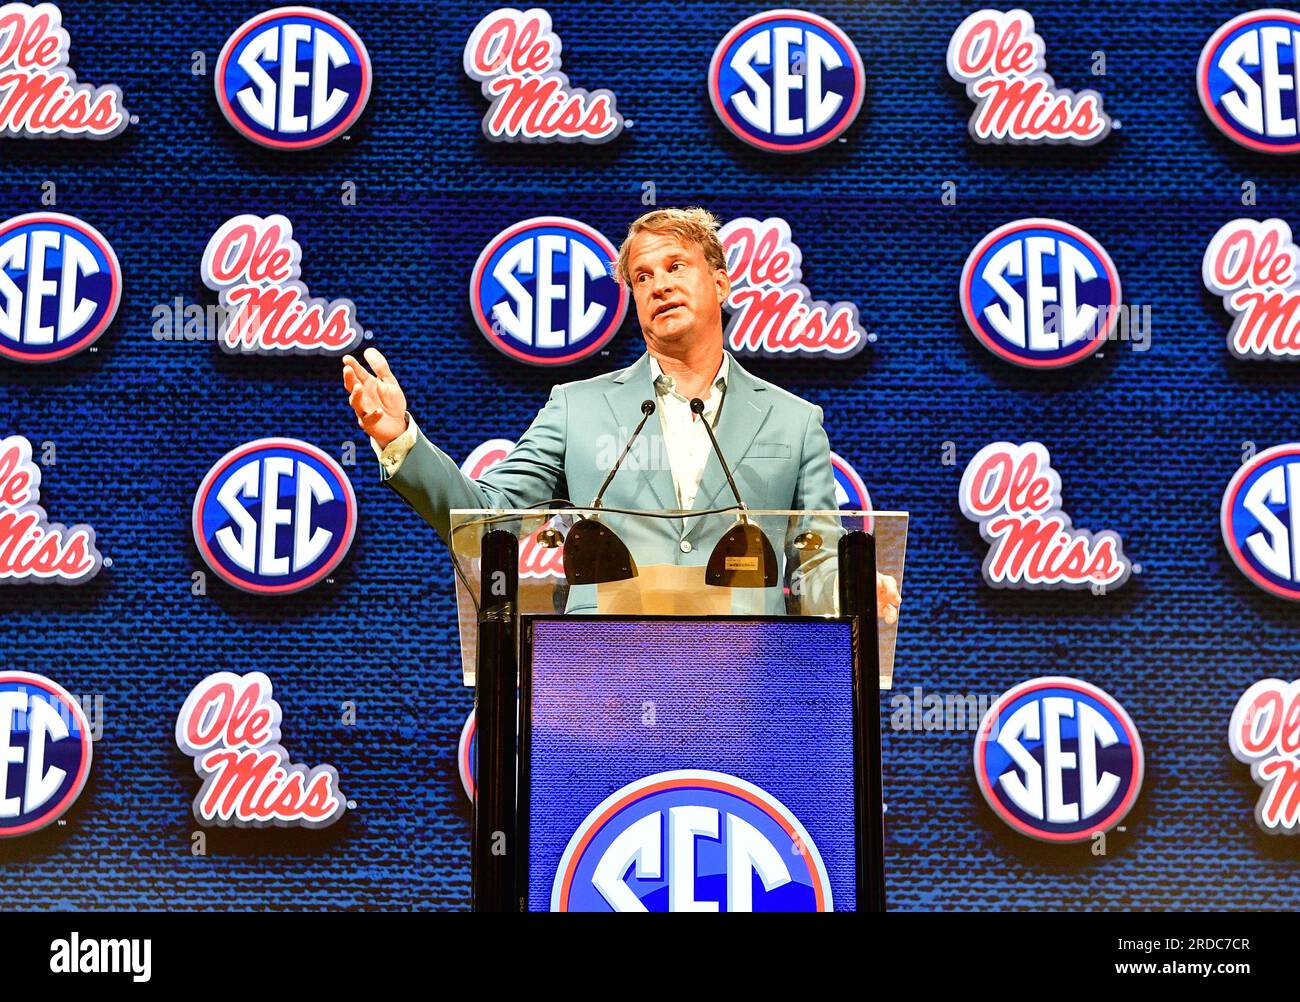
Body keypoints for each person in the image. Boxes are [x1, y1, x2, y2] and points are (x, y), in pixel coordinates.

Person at [342, 206, 900, 622]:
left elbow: (814, 565)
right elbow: (490, 519)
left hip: (747, 690)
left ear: (722, 283)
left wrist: (853, 588)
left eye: (676, 265)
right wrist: (402, 442)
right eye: (643, 277)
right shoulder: (576, 407)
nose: (659, 285)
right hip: (604, 692)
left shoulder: (794, 421)